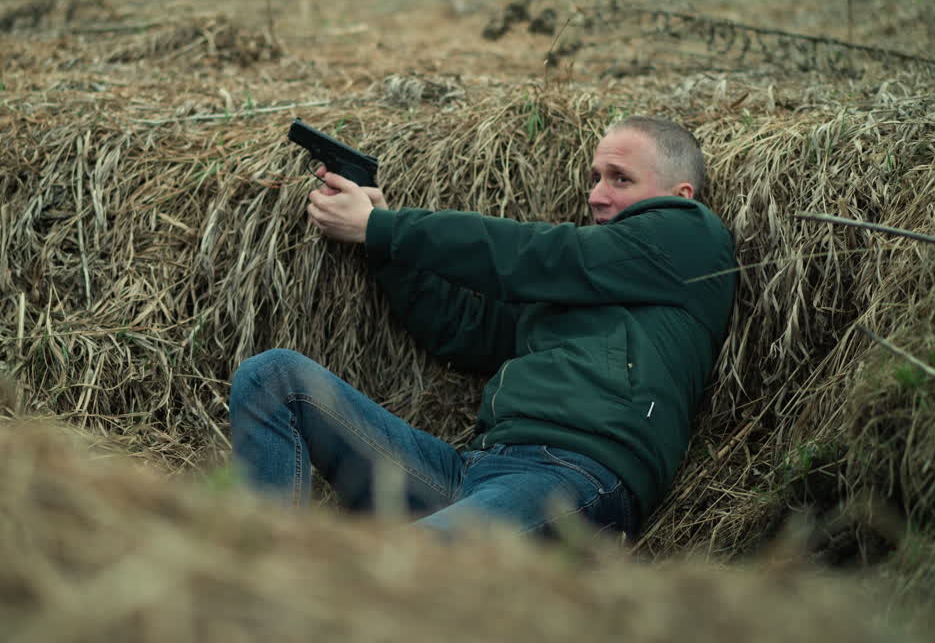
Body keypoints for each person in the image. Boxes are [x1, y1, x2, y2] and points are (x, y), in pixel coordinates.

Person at [228, 116, 737, 539]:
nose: (597, 195)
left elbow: (537, 254)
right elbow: (465, 330)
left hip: (572, 481)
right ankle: (262, 569)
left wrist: (383, 226)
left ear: (681, 192)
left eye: (619, 178)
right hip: (470, 473)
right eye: (595, 177)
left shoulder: (691, 238)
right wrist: (382, 243)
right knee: (273, 377)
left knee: (400, 564)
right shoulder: (577, 286)